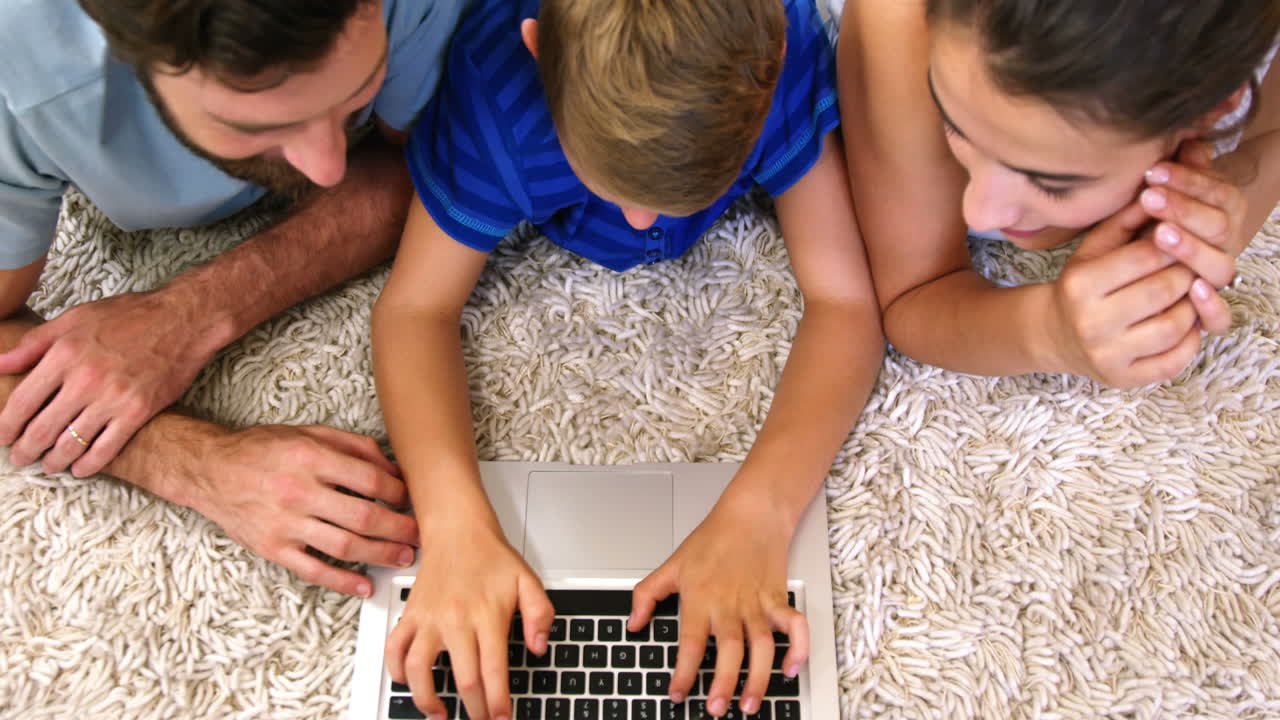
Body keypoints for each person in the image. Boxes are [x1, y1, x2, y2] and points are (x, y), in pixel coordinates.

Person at [372, 0, 883, 718]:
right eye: (616, 188)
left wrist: (760, 515)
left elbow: (847, 306)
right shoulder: (497, 98)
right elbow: (412, 311)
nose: (647, 225)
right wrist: (454, 525)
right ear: (537, 49)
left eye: (687, 195)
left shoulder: (780, 42)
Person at [0, 0, 466, 597]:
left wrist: (191, 314)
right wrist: (190, 461)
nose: (329, 167)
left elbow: (433, 169)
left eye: (356, 93)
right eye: (259, 128)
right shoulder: (21, 66)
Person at [838, 0, 1280, 388]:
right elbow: (913, 296)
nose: (981, 211)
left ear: (1213, 109)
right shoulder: (900, 15)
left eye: (1049, 181)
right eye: (952, 123)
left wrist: (1221, 192)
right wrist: (1047, 331)